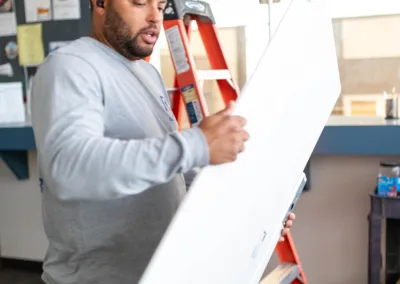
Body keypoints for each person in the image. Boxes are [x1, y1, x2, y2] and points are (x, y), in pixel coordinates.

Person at [30, 0, 295, 283]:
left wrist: (250, 210)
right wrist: (198, 144)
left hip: (160, 272)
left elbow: (172, 174)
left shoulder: (147, 73)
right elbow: (71, 168)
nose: (154, 17)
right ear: (100, 3)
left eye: (160, 6)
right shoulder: (71, 66)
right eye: (140, 3)